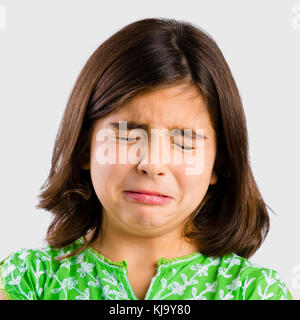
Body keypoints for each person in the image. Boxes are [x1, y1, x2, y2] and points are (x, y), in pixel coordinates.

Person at [0, 18, 293, 300]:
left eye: (184, 141)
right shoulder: (25, 282)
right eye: (128, 135)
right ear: (84, 148)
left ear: (219, 162)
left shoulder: (254, 292)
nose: (152, 163)